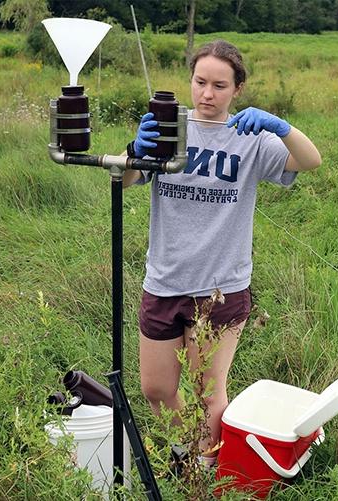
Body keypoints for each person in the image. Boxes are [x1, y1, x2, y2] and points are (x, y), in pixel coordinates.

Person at [122, 40, 321, 467]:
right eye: (199, 82)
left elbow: (310, 160)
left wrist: (279, 126)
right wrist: (135, 152)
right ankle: (193, 452)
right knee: (156, 389)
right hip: (164, 281)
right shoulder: (170, 128)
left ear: (238, 90)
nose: (207, 94)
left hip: (221, 287)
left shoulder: (249, 139)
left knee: (207, 392)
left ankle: (207, 472)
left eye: (219, 85)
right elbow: (123, 181)